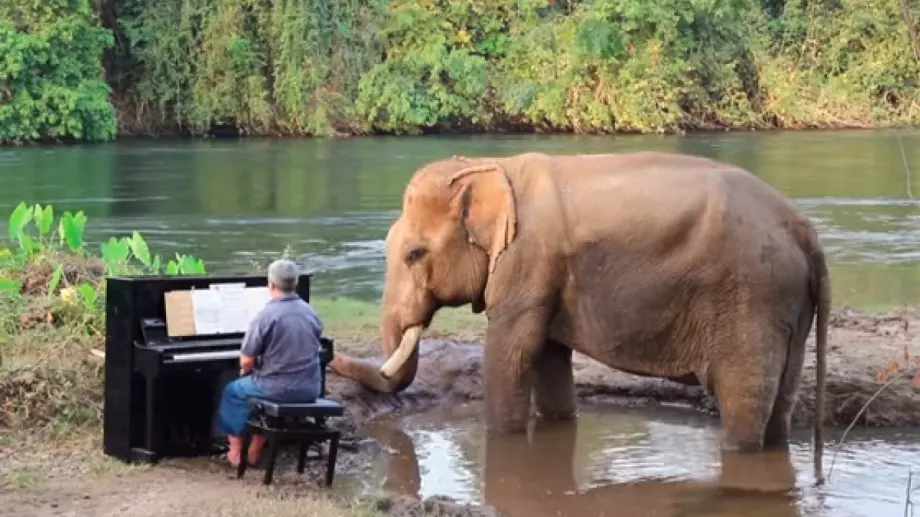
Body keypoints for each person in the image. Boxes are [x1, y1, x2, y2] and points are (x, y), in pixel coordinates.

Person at [215, 259, 324, 467]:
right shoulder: (310, 312)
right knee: (259, 396)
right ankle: (254, 451)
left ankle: (235, 452)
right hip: (310, 388)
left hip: (276, 388)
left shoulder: (266, 315)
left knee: (233, 391)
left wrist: (248, 370)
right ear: (295, 283)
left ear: (271, 284)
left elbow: (246, 360)